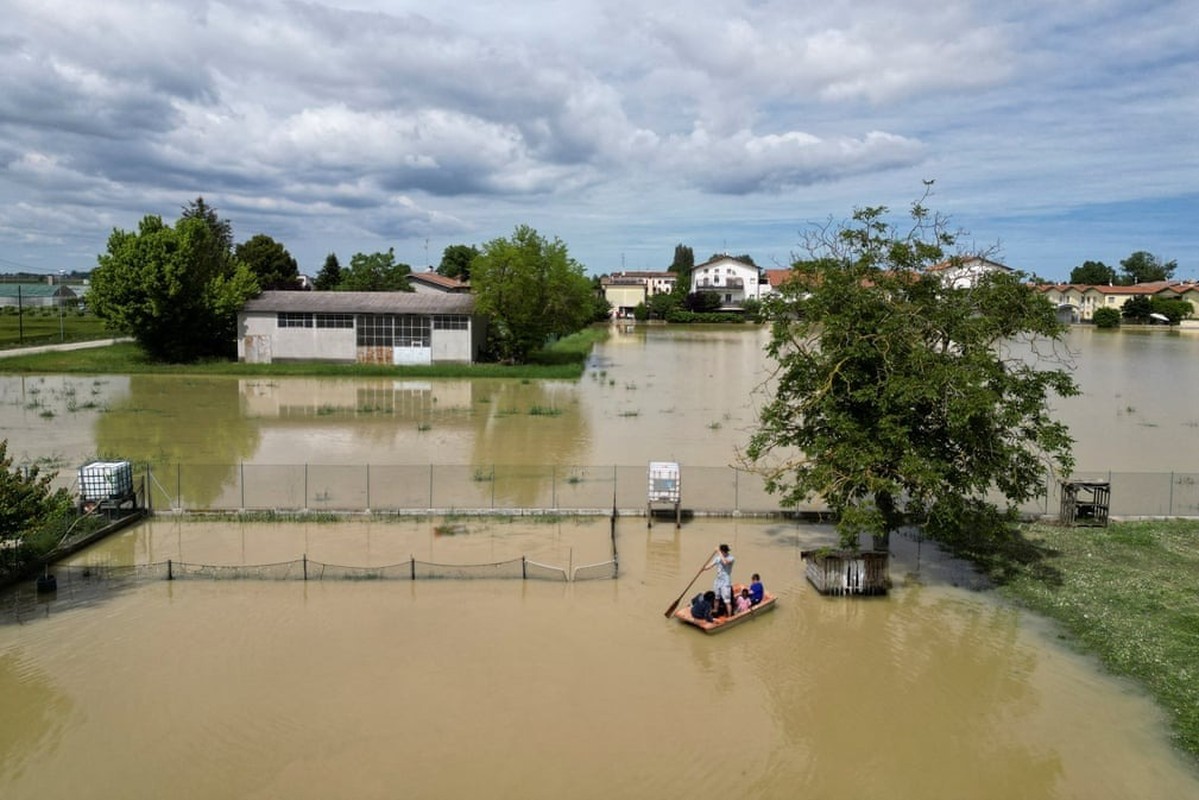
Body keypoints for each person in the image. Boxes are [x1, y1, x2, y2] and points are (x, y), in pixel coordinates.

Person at [702, 544, 735, 615]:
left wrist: (718, 551)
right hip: (718, 580)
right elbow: (711, 565)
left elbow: (725, 562)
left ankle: (729, 616)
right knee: (716, 597)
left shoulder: (731, 558)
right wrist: (704, 568)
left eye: (723, 551)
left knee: (727, 601)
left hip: (725, 581)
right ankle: (715, 610)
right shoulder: (718, 558)